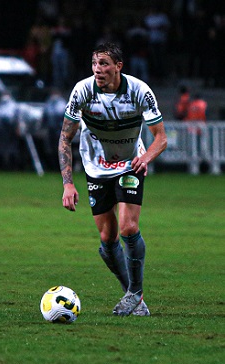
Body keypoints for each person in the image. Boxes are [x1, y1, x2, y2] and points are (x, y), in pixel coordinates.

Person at [58, 42, 167, 317]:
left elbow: (161, 138)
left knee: (129, 228)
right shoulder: (82, 91)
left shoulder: (140, 91)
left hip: (131, 164)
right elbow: (65, 138)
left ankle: (136, 292)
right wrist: (68, 183)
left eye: (104, 64)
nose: (98, 69)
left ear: (119, 66)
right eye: (95, 64)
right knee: (108, 238)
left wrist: (146, 157)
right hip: (96, 168)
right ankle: (133, 296)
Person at [0, 92, 22, 170]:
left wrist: (17, 128)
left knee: (12, 148)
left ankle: (13, 166)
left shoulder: (14, 106)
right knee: (0, 148)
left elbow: (17, 118)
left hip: (10, 129)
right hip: (0, 130)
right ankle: (0, 166)